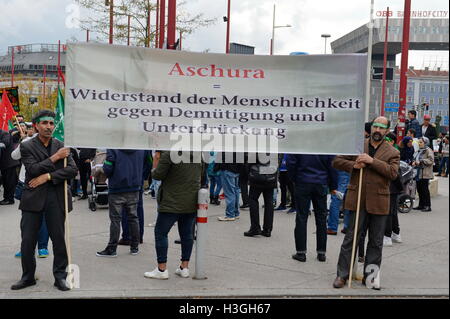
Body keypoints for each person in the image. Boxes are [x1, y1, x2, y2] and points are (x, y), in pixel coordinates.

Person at [11, 110, 78, 291]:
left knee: (58, 239)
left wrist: (47, 176)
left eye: (51, 123)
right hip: (33, 198)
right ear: (36, 126)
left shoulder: (61, 144)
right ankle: (27, 277)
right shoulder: (27, 146)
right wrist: (55, 158)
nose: (49, 126)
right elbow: (32, 170)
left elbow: (72, 170)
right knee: (28, 240)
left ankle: (60, 277)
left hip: (57, 197)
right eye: (44, 123)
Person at [332, 117, 400, 289]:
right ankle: (342, 275)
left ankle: (370, 278)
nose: (377, 130)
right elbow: (336, 161)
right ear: (372, 128)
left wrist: (372, 161)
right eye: (375, 126)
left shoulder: (392, 151)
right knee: (351, 238)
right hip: (358, 199)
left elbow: (393, 173)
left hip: (379, 202)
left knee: (375, 242)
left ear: (386, 131)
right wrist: (354, 165)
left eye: (381, 127)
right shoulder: (357, 145)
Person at [144, 151, 202, 280]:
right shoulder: (199, 153)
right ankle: (184, 267)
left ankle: (162, 269)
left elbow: (157, 175)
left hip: (171, 201)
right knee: (187, 234)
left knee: (161, 232)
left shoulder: (170, 153)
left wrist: (155, 162)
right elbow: (203, 177)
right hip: (191, 201)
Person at [96, 149, 149, 257]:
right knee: (133, 218)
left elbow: (107, 169)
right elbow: (149, 164)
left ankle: (112, 248)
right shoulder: (141, 149)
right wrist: (140, 177)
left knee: (115, 220)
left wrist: (103, 168)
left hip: (117, 188)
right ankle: (134, 247)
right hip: (134, 187)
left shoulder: (113, 149)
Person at [287, 153, 338, 263]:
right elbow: (332, 165)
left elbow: (291, 162)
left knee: (301, 217)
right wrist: (333, 185)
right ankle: (321, 252)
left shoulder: (300, 143)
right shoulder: (325, 144)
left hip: (303, 180)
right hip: (321, 182)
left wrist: (293, 179)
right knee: (321, 218)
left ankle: (301, 252)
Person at [11, 125, 50, 258]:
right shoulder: (26, 142)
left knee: (43, 216)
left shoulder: (49, 142)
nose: (30, 130)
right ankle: (26, 248)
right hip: (25, 184)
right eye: (29, 128)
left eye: (31, 128)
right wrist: (23, 141)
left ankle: (43, 247)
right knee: (27, 219)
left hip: (43, 183)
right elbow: (14, 156)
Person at [244, 154, 278, 237]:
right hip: (271, 176)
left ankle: (255, 228)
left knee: (253, 199)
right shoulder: (275, 145)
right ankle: (267, 229)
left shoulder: (258, 145)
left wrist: (249, 173)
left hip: (257, 175)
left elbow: (250, 161)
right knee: (269, 202)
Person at [383, 132, 403, 247]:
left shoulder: (393, 152)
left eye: (387, 140)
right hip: (393, 186)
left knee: (389, 212)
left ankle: (387, 235)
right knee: (392, 212)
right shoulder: (393, 151)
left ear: (392, 141)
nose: (385, 142)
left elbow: (393, 172)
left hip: (391, 186)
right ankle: (396, 233)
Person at [215, 152, 243, 221]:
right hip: (236, 170)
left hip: (227, 169)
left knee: (230, 193)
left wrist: (217, 167)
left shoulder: (226, 145)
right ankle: (235, 213)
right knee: (235, 192)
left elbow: (220, 157)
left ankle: (230, 214)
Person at [412, 137, 434, 212]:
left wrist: (421, 161)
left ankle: (427, 206)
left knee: (425, 190)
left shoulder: (428, 150)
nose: (419, 143)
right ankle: (421, 205)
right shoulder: (419, 150)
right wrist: (414, 161)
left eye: (421, 142)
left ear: (425, 143)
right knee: (419, 190)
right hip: (418, 173)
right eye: (419, 142)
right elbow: (416, 158)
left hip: (425, 173)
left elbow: (431, 160)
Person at [0, 129, 20, 205]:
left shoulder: (5, 134)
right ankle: (7, 198)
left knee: (9, 182)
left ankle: (9, 199)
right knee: (5, 182)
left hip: (10, 162)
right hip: (5, 163)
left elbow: (4, 144)